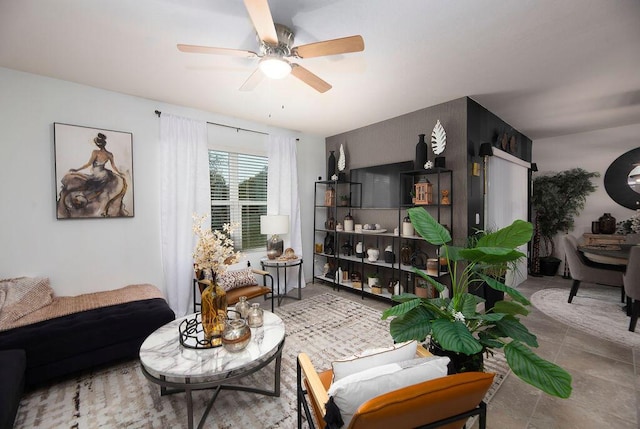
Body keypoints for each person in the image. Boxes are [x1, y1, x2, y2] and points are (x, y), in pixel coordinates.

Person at [57, 133, 129, 218]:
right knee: (96, 189)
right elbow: (114, 167)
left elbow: (88, 164)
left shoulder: (95, 152)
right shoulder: (109, 154)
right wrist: (119, 173)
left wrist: (77, 170)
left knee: (88, 186)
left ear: (97, 144)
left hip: (97, 174)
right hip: (104, 174)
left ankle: (83, 199)